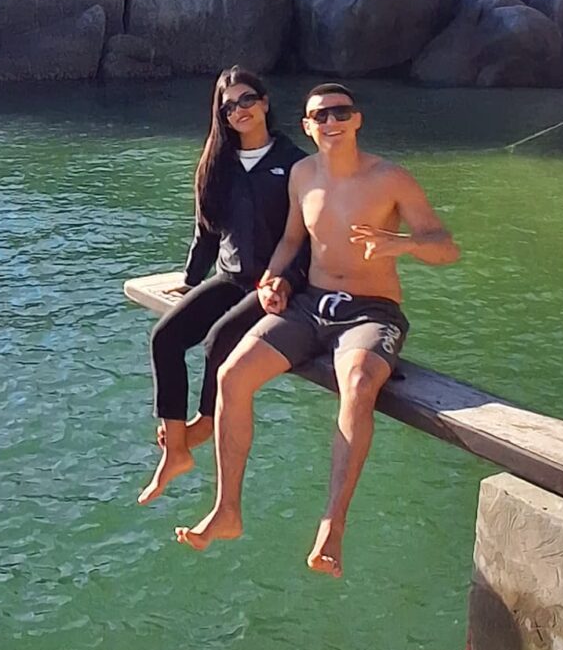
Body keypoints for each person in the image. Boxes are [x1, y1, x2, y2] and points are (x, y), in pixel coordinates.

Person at [177, 79, 459, 575]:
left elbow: (445, 248)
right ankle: (227, 509)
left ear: (357, 120)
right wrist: (271, 281)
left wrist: (402, 245)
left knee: (356, 385)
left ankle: (332, 525)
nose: (330, 122)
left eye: (339, 112)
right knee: (231, 376)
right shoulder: (302, 175)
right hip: (310, 305)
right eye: (319, 116)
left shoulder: (391, 179)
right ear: (306, 127)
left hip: (371, 312)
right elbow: (289, 241)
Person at [138, 67, 306, 505]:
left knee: (218, 342)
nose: (239, 111)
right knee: (165, 338)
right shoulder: (219, 163)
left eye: (247, 100)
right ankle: (176, 451)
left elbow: (310, 237)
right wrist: (191, 281)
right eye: (228, 106)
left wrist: (285, 281)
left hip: (275, 284)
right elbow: (207, 231)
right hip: (230, 277)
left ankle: (203, 424)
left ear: (265, 102)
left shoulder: (296, 163)